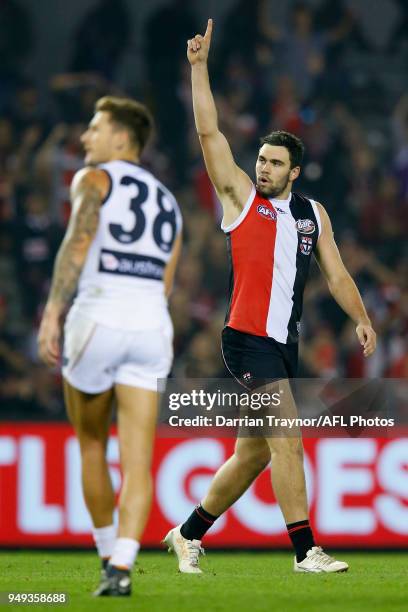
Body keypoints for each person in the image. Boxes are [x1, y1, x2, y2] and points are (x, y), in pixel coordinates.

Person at [163, 19, 376, 574]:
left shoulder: (311, 214)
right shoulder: (239, 200)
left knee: (254, 452)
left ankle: (186, 534)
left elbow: (337, 274)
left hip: (284, 343)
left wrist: (361, 318)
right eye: (260, 159)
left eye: (275, 162)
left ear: (294, 171)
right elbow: (210, 135)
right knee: (287, 437)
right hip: (246, 339)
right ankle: (306, 551)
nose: (263, 167)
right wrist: (199, 69)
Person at [38, 96, 182, 596]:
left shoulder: (93, 179)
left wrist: (54, 311)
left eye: (95, 128)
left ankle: (106, 559)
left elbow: (77, 243)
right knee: (139, 462)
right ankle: (123, 565)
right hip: (150, 324)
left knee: (93, 443)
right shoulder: (169, 202)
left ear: (122, 138)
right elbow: (166, 284)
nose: (85, 138)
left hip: (99, 314)